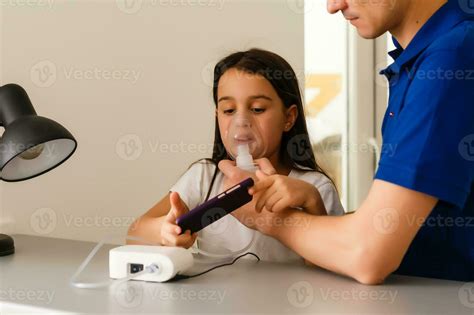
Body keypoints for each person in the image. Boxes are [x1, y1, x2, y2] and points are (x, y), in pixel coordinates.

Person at [221, 0, 474, 284]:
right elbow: (409, 225)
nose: (333, 6)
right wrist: (313, 209)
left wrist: (268, 219)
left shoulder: (454, 55)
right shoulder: (424, 56)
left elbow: (368, 254)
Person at [127, 48, 344, 263]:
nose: (241, 122)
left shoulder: (312, 188)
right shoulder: (204, 177)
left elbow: (334, 265)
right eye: (229, 110)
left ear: (289, 118)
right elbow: (134, 233)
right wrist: (164, 231)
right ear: (217, 116)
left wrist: (313, 204)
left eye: (258, 109)